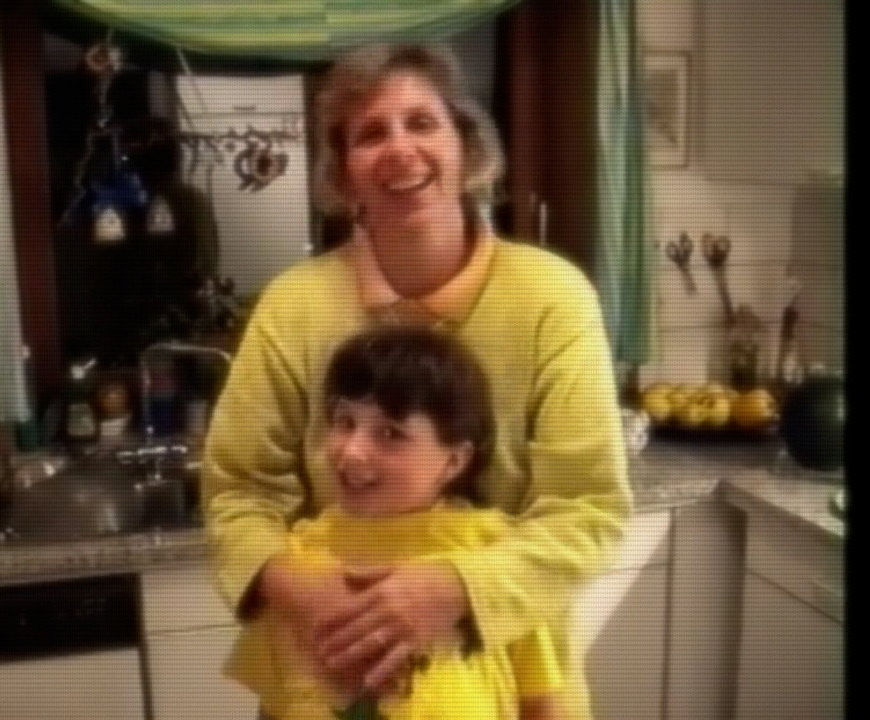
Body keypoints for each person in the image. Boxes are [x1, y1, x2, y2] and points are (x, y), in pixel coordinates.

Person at [200, 43, 632, 720]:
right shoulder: (293, 306)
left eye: (422, 123)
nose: (400, 150)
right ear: (343, 176)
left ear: (466, 147)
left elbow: (587, 508)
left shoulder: (553, 297)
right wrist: (304, 592)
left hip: (512, 680)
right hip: (325, 665)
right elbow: (237, 492)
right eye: (370, 134)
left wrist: (452, 589)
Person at [228, 326, 566, 720]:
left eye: (390, 433)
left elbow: (542, 707)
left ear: (454, 460)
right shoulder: (295, 565)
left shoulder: (495, 557)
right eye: (344, 421)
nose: (351, 452)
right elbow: (273, 708)